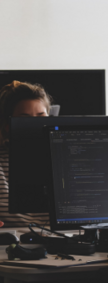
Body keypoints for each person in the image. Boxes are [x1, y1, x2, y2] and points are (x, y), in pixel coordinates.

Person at [0, 81, 51, 227]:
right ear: (7, 125)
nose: (35, 125)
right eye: (25, 119)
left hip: (63, 241)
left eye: (41, 117)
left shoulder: (64, 157)